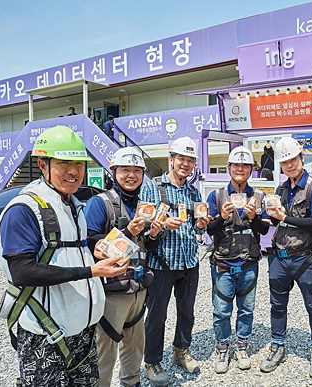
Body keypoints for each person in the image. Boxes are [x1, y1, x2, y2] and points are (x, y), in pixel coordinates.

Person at [0, 125, 127, 386]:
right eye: (64, 163)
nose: (74, 171)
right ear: (42, 164)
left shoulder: (72, 204)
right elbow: (21, 271)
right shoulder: (24, 209)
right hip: (45, 336)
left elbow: (65, 252)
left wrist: (93, 249)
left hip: (83, 333)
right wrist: (92, 271)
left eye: (79, 163)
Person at [85, 147, 163, 387]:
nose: (131, 175)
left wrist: (153, 236)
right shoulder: (100, 204)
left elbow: (144, 246)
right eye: (125, 170)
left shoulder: (143, 206)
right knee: (105, 349)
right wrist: (128, 232)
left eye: (137, 171)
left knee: (135, 345)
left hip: (139, 287)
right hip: (112, 290)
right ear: (113, 171)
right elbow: (91, 246)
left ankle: (131, 382)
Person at [139, 136, 211, 386]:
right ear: (171, 159)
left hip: (189, 262)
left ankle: (181, 350)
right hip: (161, 263)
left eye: (190, 160)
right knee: (157, 315)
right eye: (181, 159)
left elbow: (196, 228)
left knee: (187, 312)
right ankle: (151, 360)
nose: (186, 164)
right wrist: (161, 226)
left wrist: (201, 226)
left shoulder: (193, 192)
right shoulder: (153, 187)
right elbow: (142, 225)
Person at [259, 136, 312, 379]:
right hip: (279, 257)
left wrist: (284, 217)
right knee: (277, 306)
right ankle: (277, 345)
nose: (289, 165)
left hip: (304, 258)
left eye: (292, 159)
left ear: (301, 157)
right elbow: (272, 222)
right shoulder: (281, 189)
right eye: (284, 162)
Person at [206, 146, 270, 374]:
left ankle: (242, 345)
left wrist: (254, 218)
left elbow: (263, 230)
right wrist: (222, 217)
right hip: (223, 262)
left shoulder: (259, 196)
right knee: (222, 309)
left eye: (245, 166)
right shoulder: (216, 196)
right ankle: (222, 346)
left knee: (246, 309)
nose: (240, 169)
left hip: (249, 261)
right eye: (236, 165)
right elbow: (209, 229)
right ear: (229, 168)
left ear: (252, 169)